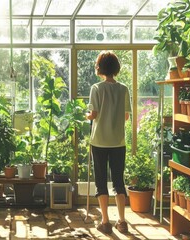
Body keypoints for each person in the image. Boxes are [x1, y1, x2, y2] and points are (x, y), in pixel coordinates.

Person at [86, 50, 131, 235]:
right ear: (116, 68)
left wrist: (87, 115)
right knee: (119, 182)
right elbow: (126, 116)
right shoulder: (124, 89)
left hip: (99, 142)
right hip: (118, 142)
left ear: (100, 68)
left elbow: (93, 114)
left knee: (101, 182)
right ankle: (122, 221)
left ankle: (105, 222)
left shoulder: (96, 88)